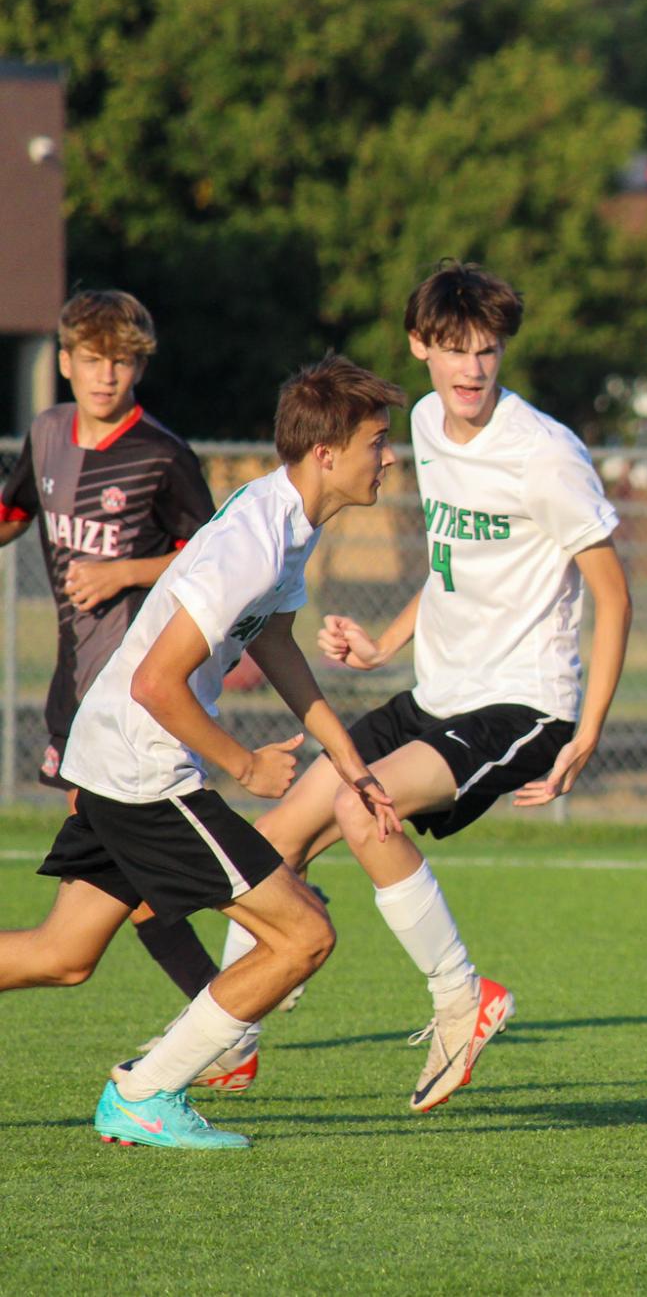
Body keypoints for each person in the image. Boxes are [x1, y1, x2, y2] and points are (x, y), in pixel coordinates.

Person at [247, 261, 631, 1113]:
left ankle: (464, 1000)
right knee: (267, 847)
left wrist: (588, 732)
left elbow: (612, 593)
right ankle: (236, 1031)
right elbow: (456, 564)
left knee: (362, 803)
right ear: (420, 346)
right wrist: (385, 641)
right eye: (453, 348)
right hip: (436, 691)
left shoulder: (544, 456)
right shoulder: (421, 420)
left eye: (486, 350)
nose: (470, 369)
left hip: (522, 703)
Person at [0, 353, 402, 1150]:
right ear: (326, 454)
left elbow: (278, 645)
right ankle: (144, 1095)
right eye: (377, 441)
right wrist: (244, 765)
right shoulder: (252, 539)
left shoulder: (289, 525)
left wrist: (348, 762)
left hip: (116, 755)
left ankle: (147, 1093)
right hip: (144, 768)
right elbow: (156, 681)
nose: (387, 457)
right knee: (303, 936)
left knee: (63, 954)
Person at [0, 291, 244, 1058]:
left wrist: (124, 572)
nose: (107, 376)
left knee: (116, 885)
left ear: (141, 365)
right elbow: (12, 515)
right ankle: (236, 987)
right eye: (93, 360)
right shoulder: (45, 436)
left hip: (142, 698)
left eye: (123, 361)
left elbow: (216, 560)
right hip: (76, 697)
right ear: (66, 361)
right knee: (118, 883)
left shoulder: (163, 455)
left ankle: (237, 986)